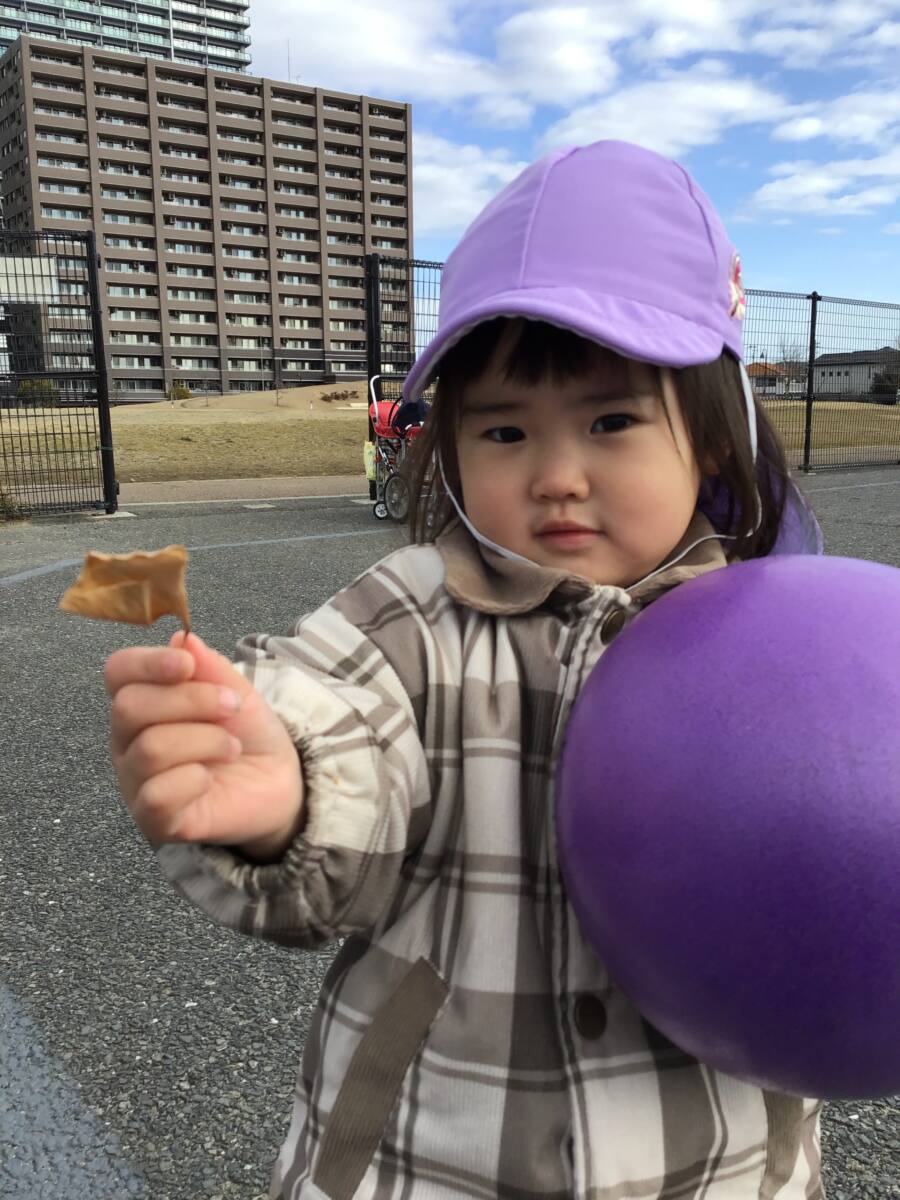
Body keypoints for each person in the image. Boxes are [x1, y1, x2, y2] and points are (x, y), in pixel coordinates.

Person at [104, 141, 826, 1199]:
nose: (557, 476)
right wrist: (288, 787)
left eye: (612, 420)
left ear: (715, 437)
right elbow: (337, 708)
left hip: (714, 1164)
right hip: (431, 1160)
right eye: (503, 429)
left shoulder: (784, 642)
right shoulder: (416, 613)